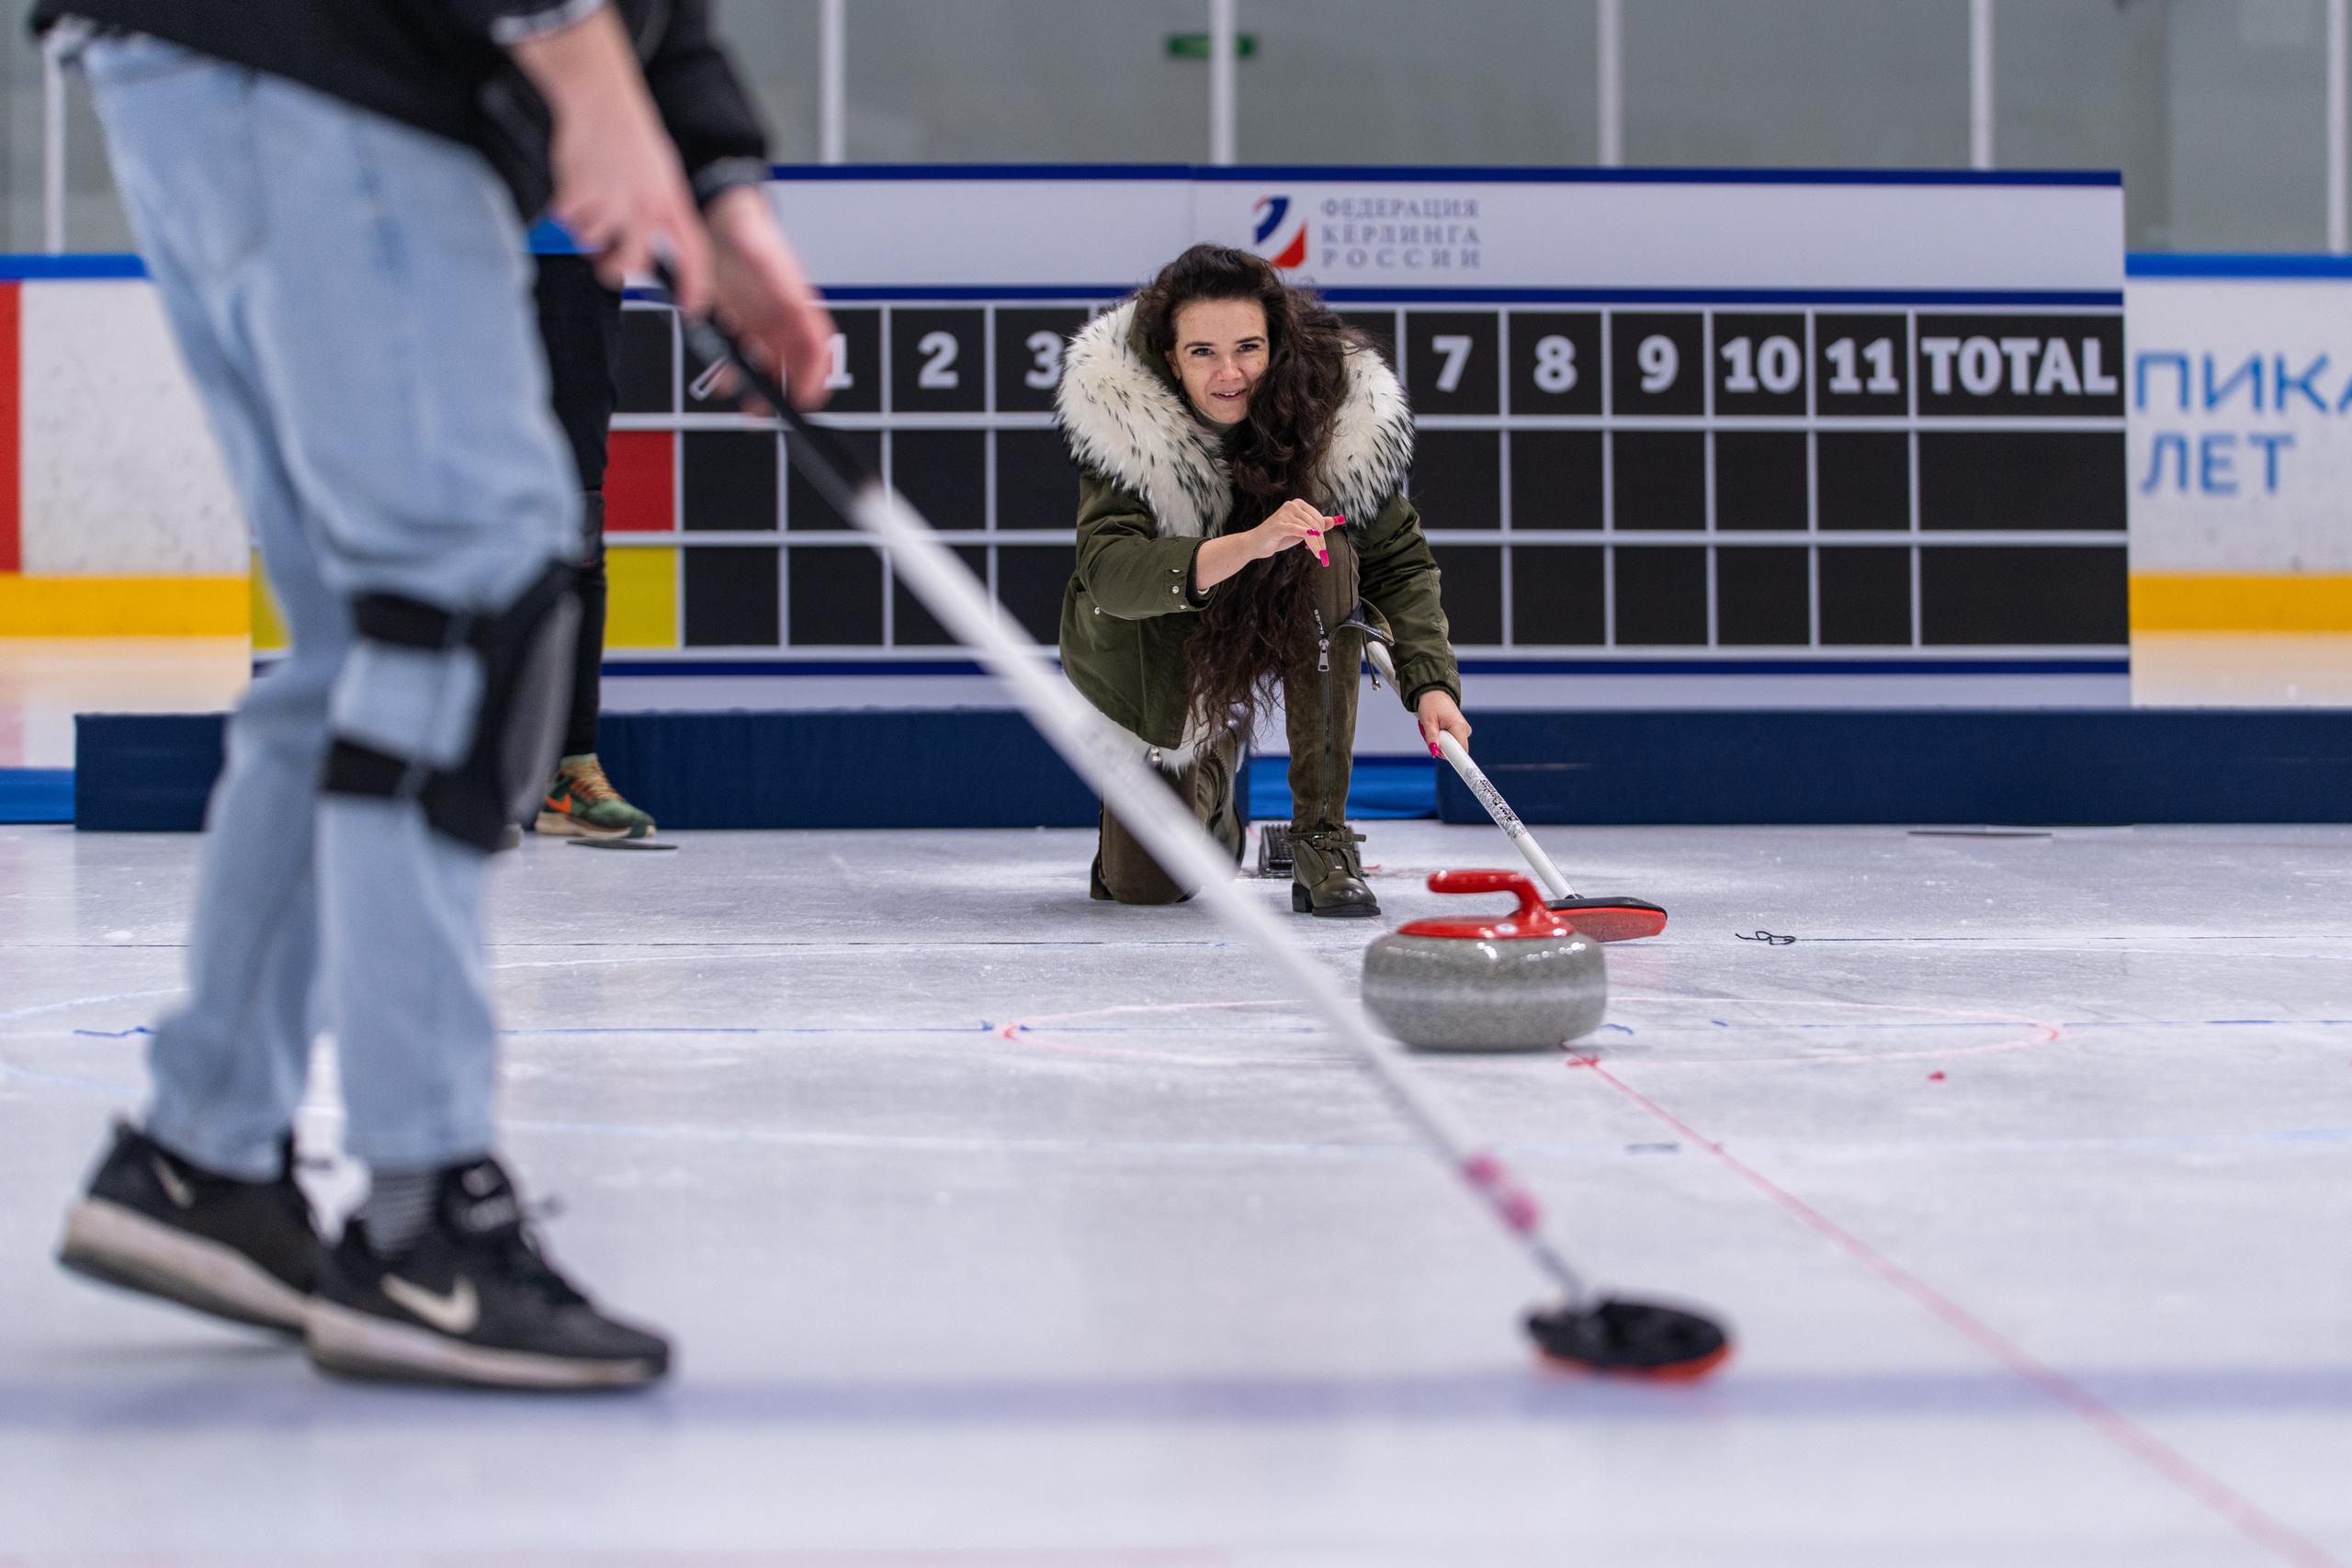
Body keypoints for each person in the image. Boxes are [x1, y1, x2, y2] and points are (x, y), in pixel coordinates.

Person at [39, 0, 834, 1389]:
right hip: (341, 79)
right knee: (460, 599)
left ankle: (204, 1152)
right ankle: (422, 1217)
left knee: (373, 639)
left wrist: (720, 181)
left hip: (247, 74)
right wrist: (579, 58)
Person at [1055, 244, 1469, 917]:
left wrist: (1432, 683)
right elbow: (1108, 573)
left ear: (1276, 344)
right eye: (1203, 353)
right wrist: (1247, 544)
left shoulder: (1335, 411)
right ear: (1170, 358)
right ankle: (1215, 767)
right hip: (1166, 649)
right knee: (1145, 886)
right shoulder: (1126, 419)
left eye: (1248, 348)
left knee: (1327, 547)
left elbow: (1398, 559)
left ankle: (1322, 839)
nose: (1230, 374)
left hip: (1295, 606)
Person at [528, 231, 656, 840]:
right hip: (450, 246)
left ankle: (569, 771)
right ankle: (464, 774)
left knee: (577, 516)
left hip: (570, 252)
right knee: (455, 514)